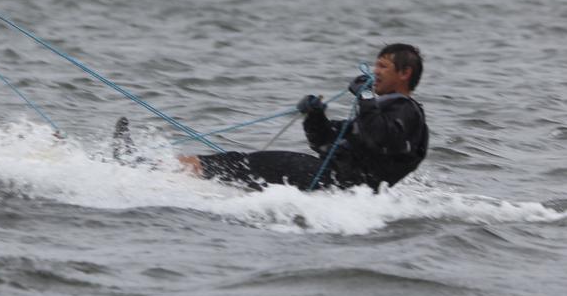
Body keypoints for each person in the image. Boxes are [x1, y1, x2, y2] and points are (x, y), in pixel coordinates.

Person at [115, 43, 429, 192]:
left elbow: (381, 139)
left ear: (405, 73)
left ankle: (142, 166)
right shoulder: (379, 107)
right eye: (375, 65)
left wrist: (364, 98)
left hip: (341, 184)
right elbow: (323, 143)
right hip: (331, 178)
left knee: (242, 163)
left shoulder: (406, 111)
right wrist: (315, 116)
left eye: (383, 67)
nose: (374, 72)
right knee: (236, 164)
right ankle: (150, 167)